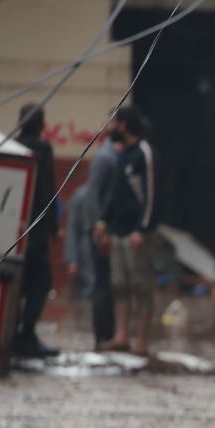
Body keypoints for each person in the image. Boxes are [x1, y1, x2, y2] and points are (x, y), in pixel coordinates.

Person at [96, 105, 157, 354]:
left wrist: (142, 229)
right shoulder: (121, 154)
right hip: (118, 231)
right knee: (119, 285)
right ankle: (122, 337)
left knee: (140, 286)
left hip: (137, 234)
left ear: (123, 125)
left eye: (112, 123)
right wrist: (103, 222)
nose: (109, 128)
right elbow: (115, 194)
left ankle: (141, 341)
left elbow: (151, 195)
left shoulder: (143, 152)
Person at [14, 103, 59, 358]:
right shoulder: (43, 150)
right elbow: (47, 191)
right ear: (41, 125)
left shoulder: (12, 146)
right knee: (40, 283)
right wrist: (53, 228)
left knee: (18, 285)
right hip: (36, 230)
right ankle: (27, 334)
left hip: (13, 230)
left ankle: (16, 333)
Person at [82, 110, 125, 348]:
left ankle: (108, 335)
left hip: (110, 231)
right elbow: (93, 196)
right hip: (102, 233)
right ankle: (102, 336)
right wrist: (98, 229)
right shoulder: (105, 157)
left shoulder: (116, 156)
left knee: (110, 284)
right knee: (102, 284)